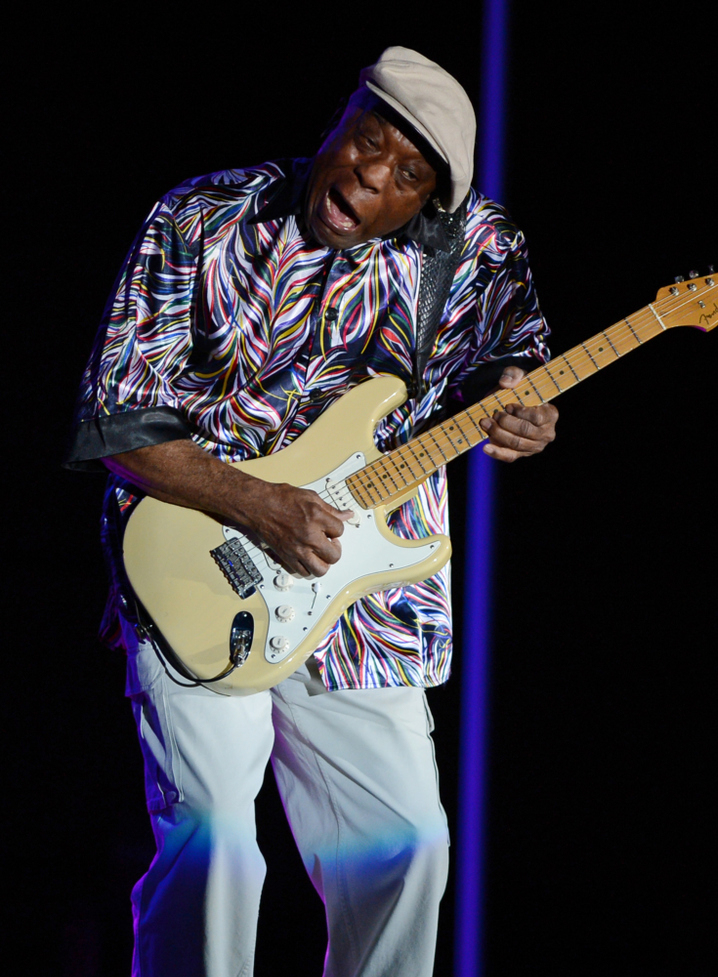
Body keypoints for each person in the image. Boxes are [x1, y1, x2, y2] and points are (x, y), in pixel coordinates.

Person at [66, 47, 558, 977]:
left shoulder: (478, 248)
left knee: (407, 846)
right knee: (215, 843)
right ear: (340, 120)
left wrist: (520, 397)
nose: (372, 175)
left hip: (368, 583)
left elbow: (513, 353)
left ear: (431, 203)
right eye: (368, 140)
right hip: (202, 561)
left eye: (408, 175)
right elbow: (115, 420)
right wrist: (257, 505)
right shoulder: (203, 219)